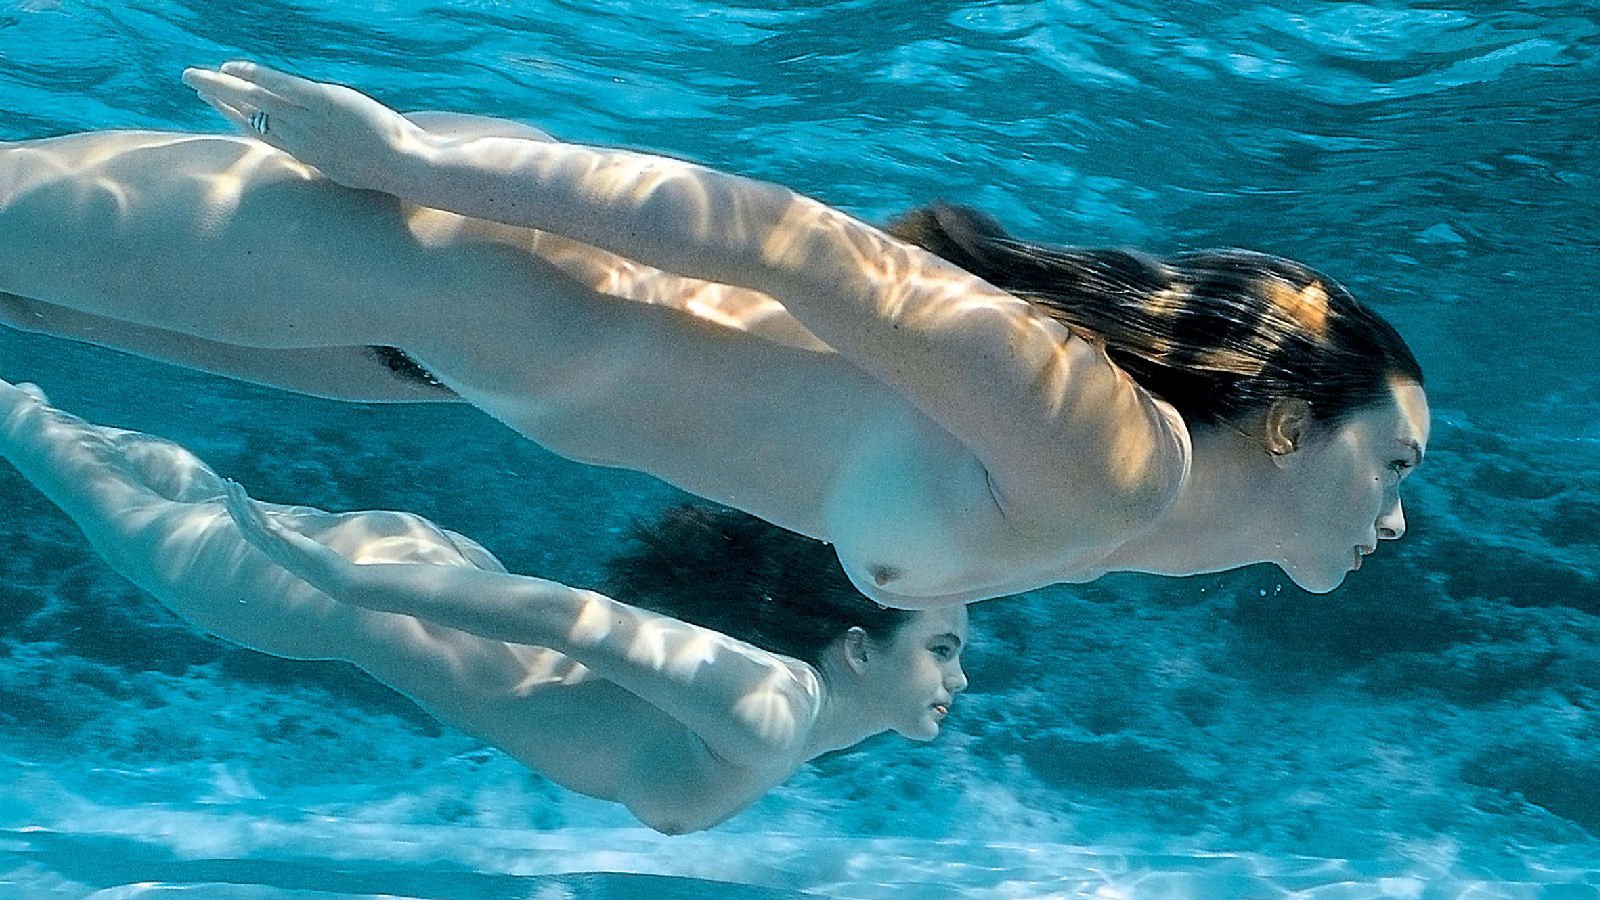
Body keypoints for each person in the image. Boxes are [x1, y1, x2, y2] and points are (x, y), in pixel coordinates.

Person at [0, 63, 1431, 607]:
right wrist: (410, 165)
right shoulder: (1114, 459)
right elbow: (790, 243)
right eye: (1395, 464)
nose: (1398, 517)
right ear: (1291, 421)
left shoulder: (1108, 520)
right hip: (425, 254)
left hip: (431, 359)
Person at [0, 376, 968, 834]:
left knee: (172, 501)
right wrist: (349, 581)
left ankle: (33, 400)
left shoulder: (784, 714)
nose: (958, 679)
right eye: (941, 648)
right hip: (358, 594)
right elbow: (565, 618)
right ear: (857, 648)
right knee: (103, 499)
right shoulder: (772, 707)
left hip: (419, 571)